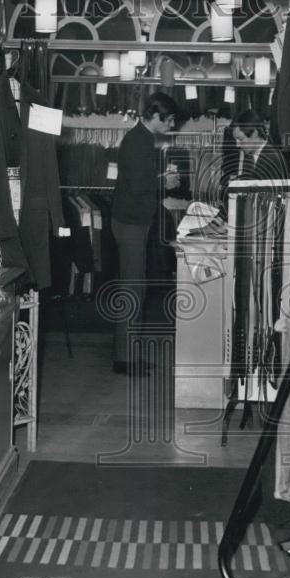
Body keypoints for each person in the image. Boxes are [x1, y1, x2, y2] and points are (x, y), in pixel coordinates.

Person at [110, 92, 181, 375]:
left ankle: (129, 355)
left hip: (132, 223)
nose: (172, 124)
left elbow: (137, 183)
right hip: (130, 225)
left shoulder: (140, 138)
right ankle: (124, 359)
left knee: (136, 289)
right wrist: (165, 181)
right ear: (157, 115)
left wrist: (161, 180)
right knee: (132, 290)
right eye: (170, 118)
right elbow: (140, 186)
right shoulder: (139, 140)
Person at [231, 109, 290, 181]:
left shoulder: (273, 159)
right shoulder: (249, 158)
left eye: (240, 139)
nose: (237, 145)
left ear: (254, 134)